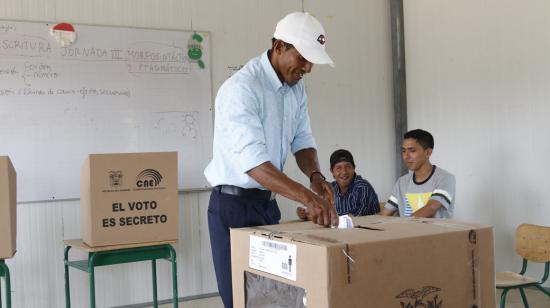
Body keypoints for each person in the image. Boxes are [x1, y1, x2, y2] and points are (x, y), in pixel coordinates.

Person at [203, 12, 338, 308]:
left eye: (312, 60)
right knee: (242, 299)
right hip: (233, 209)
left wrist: (316, 177)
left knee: (276, 298)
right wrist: (309, 199)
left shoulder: (295, 88)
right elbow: (255, 165)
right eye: (303, 58)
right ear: (279, 47)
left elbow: (303, 141)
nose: (308, 68)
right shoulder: (242, 89)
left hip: (267, 206)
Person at [380, 129, 455, 218]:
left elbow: (431, 207)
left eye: (412, 150)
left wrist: (403, 226)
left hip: (434, 232)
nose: (406, 156)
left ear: (428, 153)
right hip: (406, 231)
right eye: (404, 151)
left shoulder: (445, 178)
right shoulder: (402, 182)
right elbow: (385, 213)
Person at [297, 149, 380, 219]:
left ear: (354, 168)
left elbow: (355, 217)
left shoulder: (362, 187)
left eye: (348, 167)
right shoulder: (331, 187)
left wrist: (319, 216)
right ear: (332, 172)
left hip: (367, 234)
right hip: (343, 233)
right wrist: (304, 211)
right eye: (338, 168)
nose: (344, 172)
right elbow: (316, 205)